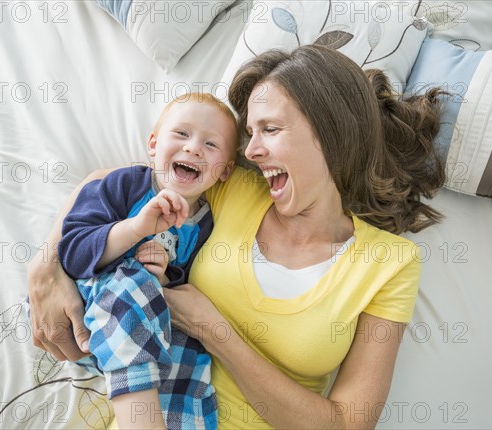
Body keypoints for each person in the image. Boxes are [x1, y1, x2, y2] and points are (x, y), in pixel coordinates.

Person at [28, 45, 445, 429]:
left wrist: (213, 329)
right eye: (250, 133)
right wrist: (45, 271)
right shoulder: (233, 191)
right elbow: (111, 184)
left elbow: (346, 424)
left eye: (270, 129)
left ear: (330, 131)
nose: (250, 151)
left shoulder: (391, 263)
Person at [49, 92, 238, 429]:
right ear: (153, 144)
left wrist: (165, 277)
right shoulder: (126, 184)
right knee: (133, 283)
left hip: (146, 335)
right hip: (93, 312)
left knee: (190, 354)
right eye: (181, 134)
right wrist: (135, 229)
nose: (193, 148)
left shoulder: (205, 224)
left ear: (225, 170)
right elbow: (73, 252)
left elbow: (181, 285)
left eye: (210, 145)